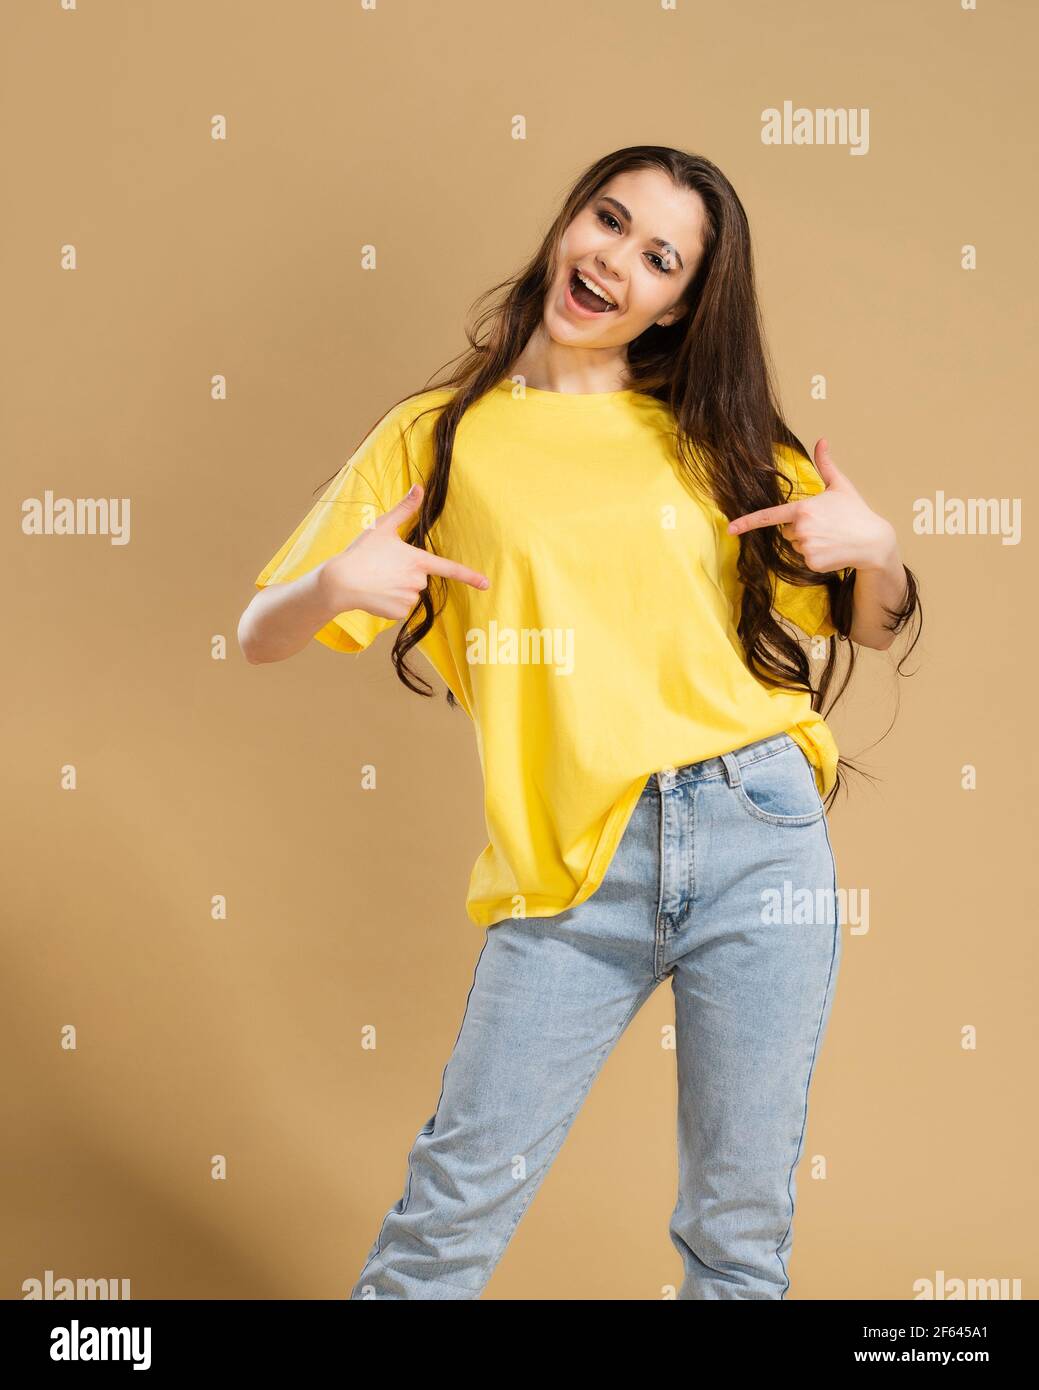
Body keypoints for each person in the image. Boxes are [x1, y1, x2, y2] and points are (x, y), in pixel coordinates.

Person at [238, 146, 921, 1299]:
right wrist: (330, 590)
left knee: (736, 1235)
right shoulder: (438, 436)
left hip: (760, 836)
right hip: (566, 874)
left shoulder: (714, 437)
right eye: (608, 220)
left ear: (679, 304)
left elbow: (876, 623)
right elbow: (260, 628)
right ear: (568, 221)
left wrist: (882, 554)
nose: (615, 259)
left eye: (659, 258)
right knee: (445, 1221)